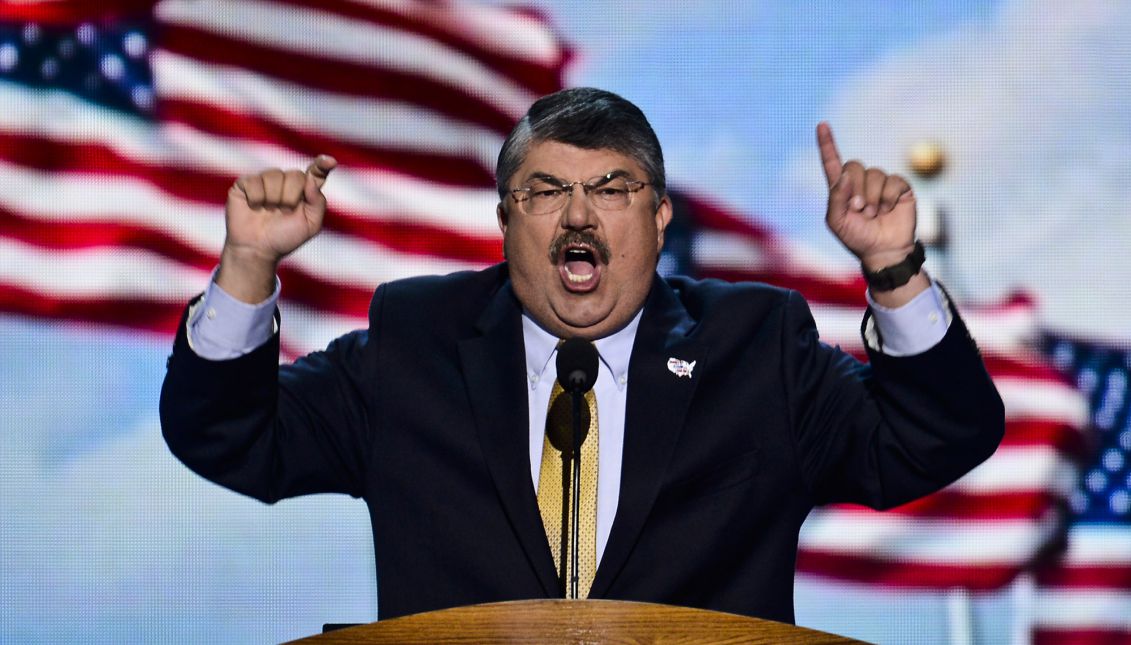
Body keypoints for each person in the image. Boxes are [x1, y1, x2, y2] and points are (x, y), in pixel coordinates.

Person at [160, 87, 1003, 624]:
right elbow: (228, 436)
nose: (578, 218)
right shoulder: (417, 341)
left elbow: (939, 434)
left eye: (610, 189)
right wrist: (247, 266)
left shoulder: (755, 346)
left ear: (661, 217)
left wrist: (892, 270)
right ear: (504, 219)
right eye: (545, 191)